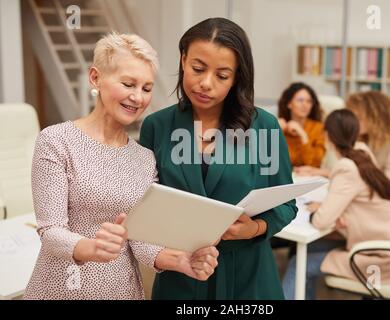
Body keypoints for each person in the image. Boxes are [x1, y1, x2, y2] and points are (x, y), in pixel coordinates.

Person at [24, 33, 218, 300]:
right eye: (128, 84)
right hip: (63, 289)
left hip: (122, 291)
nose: (137, 98)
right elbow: (51, 231)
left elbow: (140, 240)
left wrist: (179, 260)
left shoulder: (144, 159)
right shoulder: (57, 141)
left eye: (147, 89)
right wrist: (90, 247)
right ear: (96, 78)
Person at [140, 18, 297, 299]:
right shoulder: (156, 126)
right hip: (182, 277)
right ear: (183, 59)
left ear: (237, 77)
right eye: (197, 69)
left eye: (222, 76)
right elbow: (144, 203)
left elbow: (286, 204)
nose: (205, 84)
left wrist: (256, 228)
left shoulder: (264, 126)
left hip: (249, 278)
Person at [282, 109, 390, 300]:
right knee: (309, 250)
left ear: (327, 135)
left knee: (298, 264)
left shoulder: (346, 168)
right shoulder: (363, 153)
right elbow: (358, 200)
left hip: (379, 260)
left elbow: (320, 221)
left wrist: (318, 212)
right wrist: (335, 212)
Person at [345, 91, 390, 189]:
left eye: (359, 118)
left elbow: (389, 186)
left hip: (384, 198)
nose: (354, 123)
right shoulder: (364, 139)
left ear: (376, 119)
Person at [277, 82, 325, 169]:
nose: (305, 105)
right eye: (300, 100)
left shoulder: (318, 127)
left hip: (310, 178)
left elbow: (314, 164)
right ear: (289, 104)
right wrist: (275, 133)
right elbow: (272, 162)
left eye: (309, 101)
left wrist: (303, 135)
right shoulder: (281, 126)